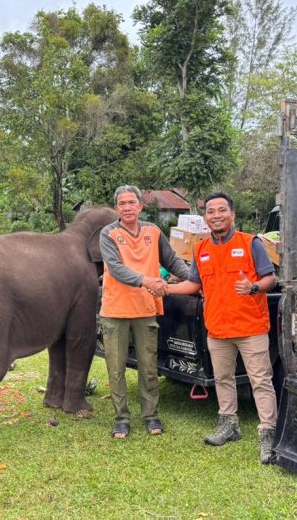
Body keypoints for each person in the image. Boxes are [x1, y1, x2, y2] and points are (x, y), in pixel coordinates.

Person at [166, 191, 278, 463]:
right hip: (217, 329)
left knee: (260, 381)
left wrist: (253, 287)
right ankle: (230, 426)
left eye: (221, 210)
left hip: (251, 327)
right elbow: (194, 285)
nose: (216, 216)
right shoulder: (201, 249)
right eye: (210, 211)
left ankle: (268, 435)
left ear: (232, 214)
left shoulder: (251, 243)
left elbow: (270, 279)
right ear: (205, 218)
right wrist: (165, 288)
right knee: (222, 380)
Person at [99, 185, 189, 439]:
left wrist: (194, 280)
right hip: (115, 310)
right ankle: (121, 418)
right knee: (115, 369)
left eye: (131, 203)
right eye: (122, 204)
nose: (127, 207)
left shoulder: (153, 231)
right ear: (117, 208)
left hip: (146, 309)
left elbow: (171, 261)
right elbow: (116, 268)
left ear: (141, 206)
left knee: (149, 366)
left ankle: (150, 415)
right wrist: (146, 281)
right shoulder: (108, 234)